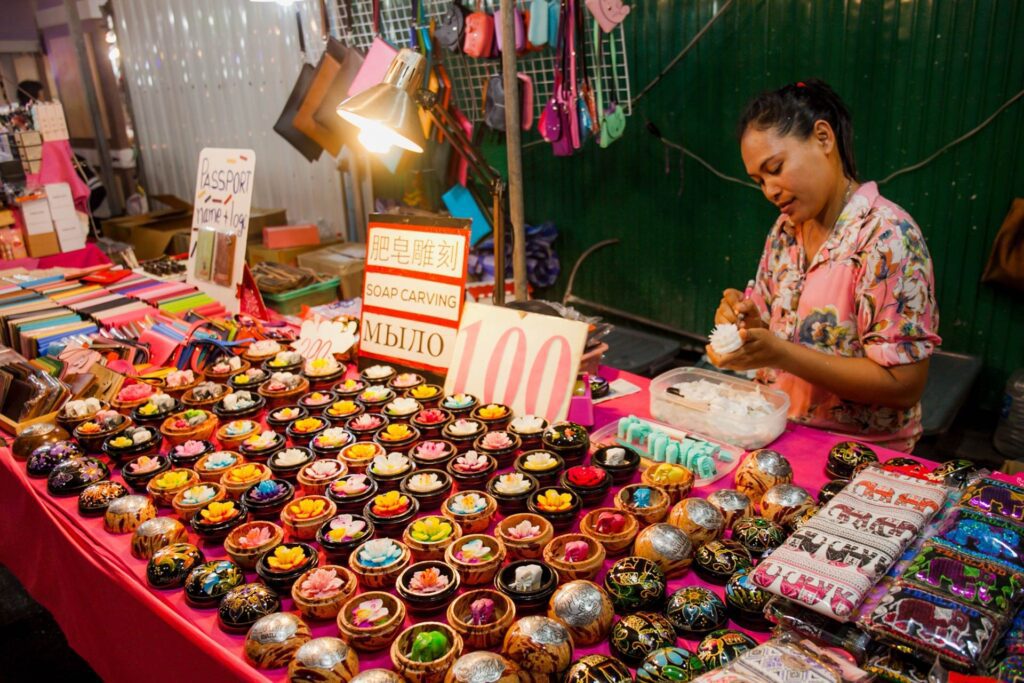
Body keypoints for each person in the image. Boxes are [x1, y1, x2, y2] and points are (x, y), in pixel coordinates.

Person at [708, 80, 940, 452]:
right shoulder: (785, 231)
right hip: (776, 433)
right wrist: (746, 326)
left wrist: (779, 353)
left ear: (823, 138)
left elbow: (904, 384)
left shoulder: (887, 237)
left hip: (859, 456)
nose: (770, 190)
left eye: (776, 168)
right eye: (759, 180)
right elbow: (773, 330)